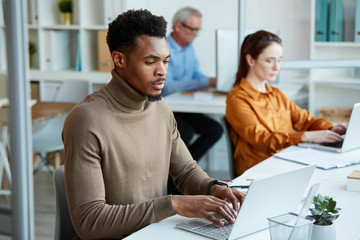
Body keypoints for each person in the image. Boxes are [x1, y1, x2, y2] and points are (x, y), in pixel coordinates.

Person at [62, 9, 244, 239]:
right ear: (120, 59)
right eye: (151, 62)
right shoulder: (86, 119)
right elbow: (90, 222)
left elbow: (186, 171)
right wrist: (174, 204)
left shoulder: (160, 107)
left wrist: (215, 189)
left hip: (157, 233)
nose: (162, 71)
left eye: (166, 61)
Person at [226, 30, 347, 176]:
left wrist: (331, 129)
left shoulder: (276, 94)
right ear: (251, 60)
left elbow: (306, 121)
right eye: (270, 61)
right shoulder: (237, 99)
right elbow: (263, 140)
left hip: (286, 161)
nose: (277, 68)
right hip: (259, 169)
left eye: (279, 60)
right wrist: (306, 136)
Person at [162, 7, 223, 162]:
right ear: (178, 26)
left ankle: (185, 173)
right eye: (193, 29)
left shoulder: (188, 48)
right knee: (186, 132)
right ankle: (175, 180)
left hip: (182, 106)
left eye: (198, 30)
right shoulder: (162, 49)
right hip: (164, 107)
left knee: (215, 130)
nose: (196, 34)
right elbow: (168, 87)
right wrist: (205, 81)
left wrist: (216, 82)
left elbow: (195, 74)